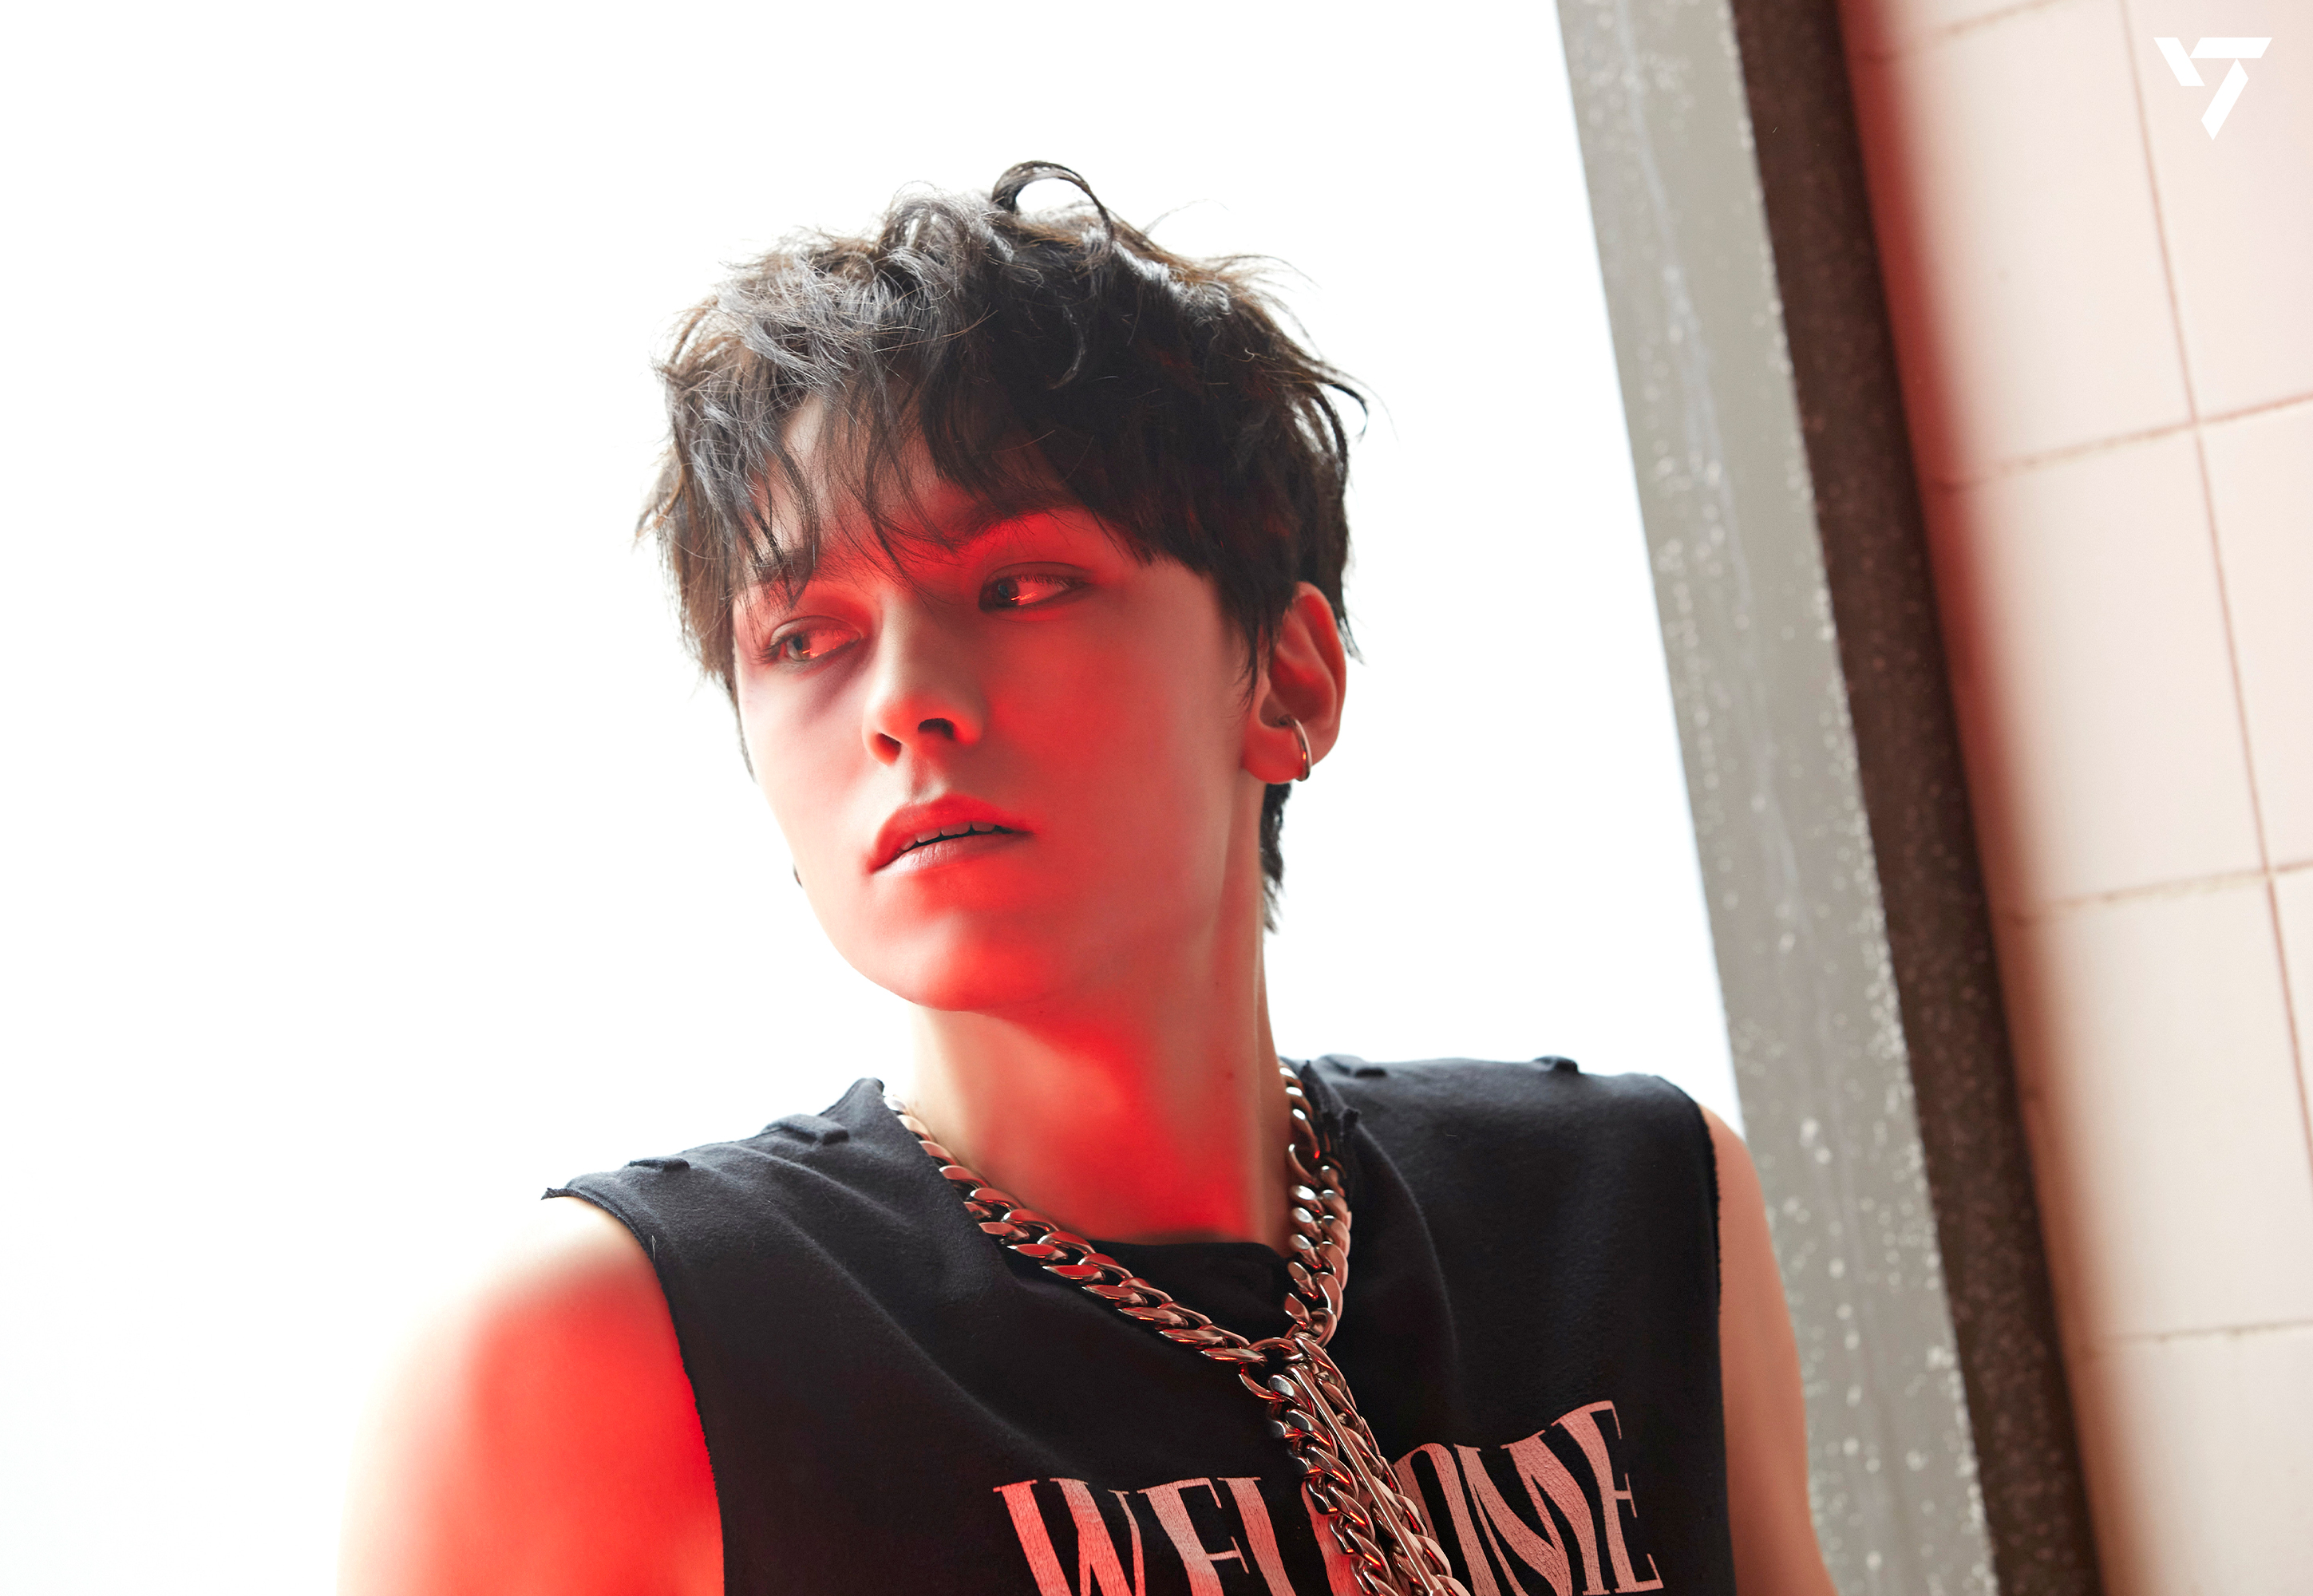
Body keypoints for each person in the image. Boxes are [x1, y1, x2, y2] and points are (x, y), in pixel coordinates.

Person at [338, 162, 1835, 1596]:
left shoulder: (1626, 1210)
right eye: (805, 638)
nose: (903, 705)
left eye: (1021, 585)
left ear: (1289, 679)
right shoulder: (606, 1347)